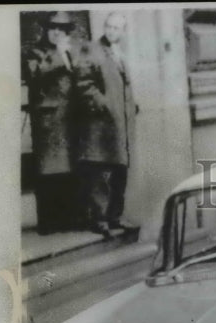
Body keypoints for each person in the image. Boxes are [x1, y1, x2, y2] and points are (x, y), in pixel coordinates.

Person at [74, 11, 140, 238]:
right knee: (100, 173)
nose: (112, 31)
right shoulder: (91, 49)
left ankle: (115, 216)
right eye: (109, 26)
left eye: (117, 28)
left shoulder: (119, 51)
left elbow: (123, 84)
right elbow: (84, 84)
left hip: (121, 123)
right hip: (101, 126)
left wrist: (132, 106)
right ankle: (99, 219)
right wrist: (105, 105)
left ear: (123, 31)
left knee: (120, 171)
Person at [24, 11, 79, 235]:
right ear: (46, 29)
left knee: (69, 170)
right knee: (47, 172)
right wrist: (57, 54)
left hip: (70, 119)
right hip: (48, 123)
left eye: (62, 29)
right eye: (53, 28)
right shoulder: (34, 52)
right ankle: (48, 222)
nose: (57, 32)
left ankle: (69, 219)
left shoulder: (70, 52)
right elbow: (34, 73)